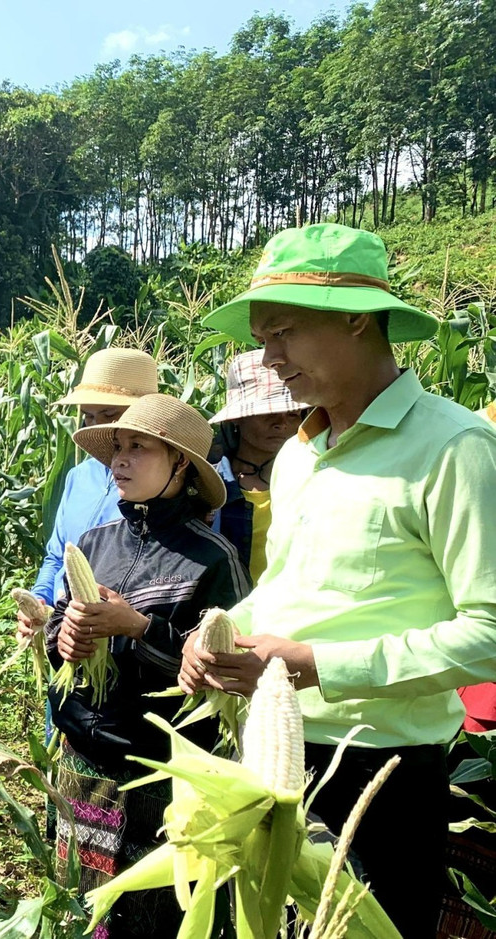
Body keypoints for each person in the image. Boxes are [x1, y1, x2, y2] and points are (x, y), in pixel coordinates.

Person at [179, 222, 496, 938]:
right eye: (262, 336)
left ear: (358, 318)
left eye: (284, 331)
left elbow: (489, 634)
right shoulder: (300, 455)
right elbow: (288, 583)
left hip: (379, 781)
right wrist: (219, 631)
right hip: (272, 756)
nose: (268, 357)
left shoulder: (455, 447)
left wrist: (317, 665)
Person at [30, 393, 248, 938]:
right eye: (118, 448)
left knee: (147, 916)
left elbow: (226, 677)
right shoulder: (93, 543)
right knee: (82, 907)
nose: (119, 460)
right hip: (83, 760)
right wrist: (67, 637)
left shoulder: (212, 559)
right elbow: (59, 626)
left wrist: (138, 628)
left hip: (157, 774)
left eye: (138, 448)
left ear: (181, 465)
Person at [29, 348, 160, 609]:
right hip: (62, 626)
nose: (96, 425)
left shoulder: (158, 488)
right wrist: (40, 598)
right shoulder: (78, 477)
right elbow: (56, 557)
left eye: (109, 414)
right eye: (88, 416)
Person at [208, 349, 303, 585]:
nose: (281, 424)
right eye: (267, 413)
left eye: (292, 414)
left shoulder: (311, 480)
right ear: (238, 418)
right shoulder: (209, 484)